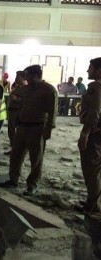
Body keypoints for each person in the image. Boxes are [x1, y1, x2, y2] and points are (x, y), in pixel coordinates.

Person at [0, 65, 58, 196]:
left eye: (28, 75)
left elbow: (53, 111)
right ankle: (13, 179)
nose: (25, 78)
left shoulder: (48, 90)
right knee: (16, 155)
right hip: (22, 127)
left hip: (37, 128)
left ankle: (32, 184)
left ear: (36, 75)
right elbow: (15, 95)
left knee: (36, 158)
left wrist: (49, 128)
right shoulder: (26, 89)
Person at [78, 57, 101, 217]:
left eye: (90, 68)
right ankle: (93, 202)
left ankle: (93, 206)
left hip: (95, 134)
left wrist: (85, 133)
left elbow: (95, 112)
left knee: (91, 170)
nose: (88, 71)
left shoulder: (95, 88)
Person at [5, 71, 28, 155]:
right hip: (12, 111)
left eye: (18, 76)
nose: (15, 78)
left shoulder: (26, 89)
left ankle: (18, 151)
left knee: (18, 133)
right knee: (11, 132)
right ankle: (13, 149)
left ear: (23, 78)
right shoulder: (16, 87)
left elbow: (27, 101)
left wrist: (16, 99)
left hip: (18, 112)